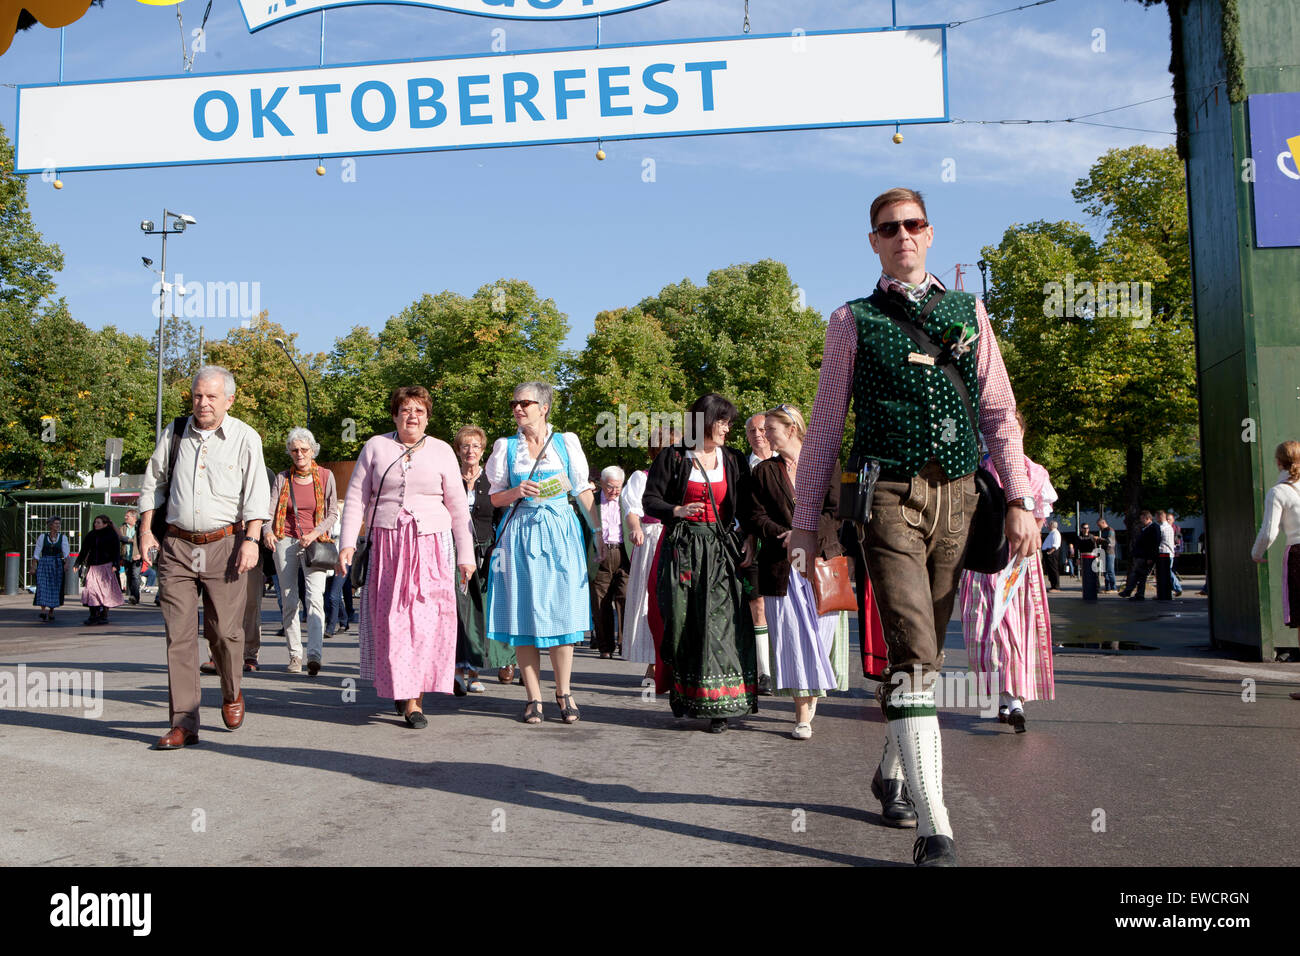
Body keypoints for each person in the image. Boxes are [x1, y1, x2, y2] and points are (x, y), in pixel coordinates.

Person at [788, 187, 1039, 866]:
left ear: (930, 234)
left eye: (913, 224)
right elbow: (825, 427)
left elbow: (1000, 411)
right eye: (888, 228)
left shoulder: (968, 310)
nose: (902, 235)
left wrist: (1019, 498)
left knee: (923, 654)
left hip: (959, 499)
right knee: (912, 652)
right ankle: (938, 827)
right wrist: (806, 523)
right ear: (872, 240)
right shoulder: (851, 320)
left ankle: (893, 770)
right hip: (887, 496)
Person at [137, 365, 272, 750]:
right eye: (198, 395)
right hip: (177, 546)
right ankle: (183, 723)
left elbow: (256, 495)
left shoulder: (246, 437)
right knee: (178, 637)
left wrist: (250, 540)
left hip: (225, 547)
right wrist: (146, 530)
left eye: (212, 396)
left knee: (225, 633)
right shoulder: (175, 432)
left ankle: (231, 692)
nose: (203, 403)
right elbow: (154, 482)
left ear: (229, 399)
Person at [339, 387, 476, 729]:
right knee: (392, 621)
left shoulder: (443, 451)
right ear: (394, 415)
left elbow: (458, 507)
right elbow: (355, 497)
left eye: (419, 410)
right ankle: (401, 685)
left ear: (428, 416)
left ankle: (415, 700)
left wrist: (466, 555)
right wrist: (346, 544)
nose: (411, 416)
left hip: (431, 544)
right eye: (405, 410)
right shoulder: (375, 446)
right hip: (388, 544)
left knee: (425, 620)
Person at [485, 382, 600, 725]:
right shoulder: (505, 447)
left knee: (562, 613)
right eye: (514, 403)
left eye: (525, 403)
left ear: (544, 407)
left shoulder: (567, 442)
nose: (518, 408)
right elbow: (493, 498)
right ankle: (533, 696)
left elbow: (581, 489)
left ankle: (563, 691)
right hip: (520, 533)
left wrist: (598, 533)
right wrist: (516, 491)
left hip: (561, 533)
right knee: (524, 614)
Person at [643, 392, 757, 734]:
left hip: (719, 550)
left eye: (729, 422)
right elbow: (650, 500)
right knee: (684, 621)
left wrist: (749, 537)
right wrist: (675, 510)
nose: (727, 428)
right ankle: (686, 696)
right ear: (703, 422)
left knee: (721, 622)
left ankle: (721, 705)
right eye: (721, 421)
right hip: (683, 549)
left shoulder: (733, 460)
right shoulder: (674, 457)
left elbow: (748, 507)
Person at [749, 404, 848, 740]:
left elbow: (838, 511)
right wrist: (783, 534)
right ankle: (802, 713)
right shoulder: (763, 472)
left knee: (818, 637)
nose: (764, 435)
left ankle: (810, 702)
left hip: (823, 562)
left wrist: (804, 532)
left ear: (790, 429)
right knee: (793, 638)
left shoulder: (826, 463)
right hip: (781, 566)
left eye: (770, 429)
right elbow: (755, 516)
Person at [959, 418, 1056, 733]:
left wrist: (1021, 544)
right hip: (984, 563)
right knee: (986, 632)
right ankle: (1004, 696)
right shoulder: (977, 472)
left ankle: (1014, 698)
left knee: (1015, 632)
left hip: (1017, 565)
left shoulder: (1035, 474)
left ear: (1022, 433)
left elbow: (1038, 523)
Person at [265, 429, 339, 676]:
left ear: (313, 450)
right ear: (290, 451)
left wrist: (314, 532)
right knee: (288, 599)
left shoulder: (326, 476)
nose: (299, 454)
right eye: (295, 450)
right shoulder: (282, 478)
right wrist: (267, 531)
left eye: (304, 450)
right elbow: (269, 511)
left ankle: (314, 655)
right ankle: (295, 655)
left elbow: (332, 513)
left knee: (315, 598)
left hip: (314, 542)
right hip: (285, 540)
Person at [452, 424, 515, 690]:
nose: (470, 451)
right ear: (459, 449)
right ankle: (459, 670)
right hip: (455, 550)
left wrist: (497, 548)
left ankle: (485, 668)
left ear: (483, 450)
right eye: (466, 446)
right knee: (459, 609)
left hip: (487, 549)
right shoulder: (450, 477)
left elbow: (503, 516)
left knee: (487, 608)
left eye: (475, 446)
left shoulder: (492, 480)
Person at [620, 424, 677, 682]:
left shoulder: (686, 476)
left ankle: (678, 661)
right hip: (653, 538)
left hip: (680, 540)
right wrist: (635, 529)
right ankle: (653, 662)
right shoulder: (642, 477)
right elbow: (632, 510)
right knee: (649, 600)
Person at [744, 413, 774, 694]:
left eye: (763, 429)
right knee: (758, 605)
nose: (758, 435)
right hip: (751, 541)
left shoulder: (786, 461)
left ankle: (784, 665)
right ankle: (763, 671)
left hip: (782, 542)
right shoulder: (742, 466)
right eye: (752, 430)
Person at [592, 465, 631, 660]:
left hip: (623, 552)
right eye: (610, 487)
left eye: (618, 487)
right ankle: (605, 646)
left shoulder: (627, 500)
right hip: (601, 553)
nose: (614, 491)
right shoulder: (591, 501)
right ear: (601, 483)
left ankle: (625, 644)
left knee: (624, 597)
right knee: (600, 602)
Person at [76, 514, 124, 625]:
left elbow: (116, 551)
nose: (96, 524)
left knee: (104, 592)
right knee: (91, 590)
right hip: (93, 567)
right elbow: (84, 550)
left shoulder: (112, 535)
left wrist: (115, 564)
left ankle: (104, 614)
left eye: (99, 522)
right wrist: (77, 563)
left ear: (105, 524)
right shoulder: (91, 535)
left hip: (106, 567)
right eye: (95, 522)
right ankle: (93, 614)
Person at [31, 515, 69, 622]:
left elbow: (66, 553)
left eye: (59, 524)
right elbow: (37, 552)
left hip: (56, 564)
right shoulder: (43, 537)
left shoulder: (63, 538)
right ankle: (43, 610)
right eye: (56, 524)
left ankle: (51, 611)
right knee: (42, 585)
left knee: (54, 586)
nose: (58, 526)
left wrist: (66, 564)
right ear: (50, 525)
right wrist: (34, 566)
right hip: (44, 563)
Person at [1119, 511, 1159, 600]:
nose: (1141, 520)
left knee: (1138, 574)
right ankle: (1135, 593)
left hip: (1145, 556)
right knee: (1140, 575)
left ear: (1147, 518)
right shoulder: (1145, 528)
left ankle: (1132, 592)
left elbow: (1154, 543)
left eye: (1142, 518)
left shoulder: (1153, 528)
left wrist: (1150, 557)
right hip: (1141, 555)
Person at [118, 509, 142, 604]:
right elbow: (119, 537)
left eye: (127, 516)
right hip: (126, 556)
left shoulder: (140, 528)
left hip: (137, 556)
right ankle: (133, 594)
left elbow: (142, 541)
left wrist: (140, 554)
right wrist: (128, 540)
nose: (125, 517)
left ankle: (135, 597)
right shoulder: (123, 527)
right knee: (129, 577)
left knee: (135, 576)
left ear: (134, 517)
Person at [1077, 521, 1100, 601]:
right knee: (1086, 575)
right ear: (1081, 529)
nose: (1086, 529)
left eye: (1087, 528)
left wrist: (1097, 557)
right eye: (1084, 528)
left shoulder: (1092, 537)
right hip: (1084, 557)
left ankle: (1096, 589)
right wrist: (1078, 559)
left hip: (1092, 557)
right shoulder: (1079, 538)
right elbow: (1078, 549)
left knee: (1094, 574)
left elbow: (1095, 547)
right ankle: (1087, 592)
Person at [1096, 517, 1117, 592]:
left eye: (1099, 525)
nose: (1099, 527)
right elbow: (1103, 541)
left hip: (1110, 552)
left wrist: (1099, 539)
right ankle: (1107, 588)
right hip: (1104, 552)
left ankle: (1113, 588)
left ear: (1103, 523)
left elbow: (1109, 541)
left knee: (1110, 570)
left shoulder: (1110, 530)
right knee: (1105, 572)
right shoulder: (1104, 530)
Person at [1167, 512, 1184, 596]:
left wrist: (1178, 552)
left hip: (1173, 554)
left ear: (1173, 520)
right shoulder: (1167, 528)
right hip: (1170, 553)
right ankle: (1173, 590)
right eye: (1166, 519)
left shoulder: (1176, 529)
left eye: (1169, 519)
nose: (1168, 521)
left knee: (1169, 571)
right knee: (1169, 572)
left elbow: (1180, 542)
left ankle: (1177, 588)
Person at [1041, 521, 1061, 591]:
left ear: (1052, 525)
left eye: (1049, 525)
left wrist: (1049, 552)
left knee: (1053, 569)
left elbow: (1056, 544)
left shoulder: (1055, 533)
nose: (1048, 526)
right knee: (1050, 570)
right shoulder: (1051, 533)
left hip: (1051, 553)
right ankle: (1053, 585)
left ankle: (1056, 586)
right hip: (1048, 552)